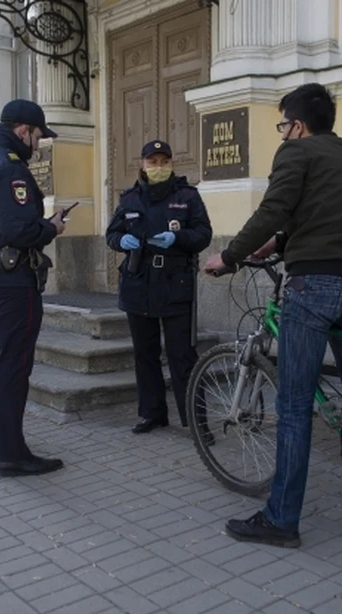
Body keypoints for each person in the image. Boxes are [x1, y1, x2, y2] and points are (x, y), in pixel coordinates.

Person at [203, 83, 342, 547]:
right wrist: (280, 243)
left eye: (283, 125)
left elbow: (274, 209)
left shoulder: (296, 153)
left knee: (294, 405)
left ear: (298, 125)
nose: (282, 133)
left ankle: (281, 519)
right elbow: (327, 214)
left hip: (313, 286)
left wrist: (231, 256)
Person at [0, 99, 70, 477]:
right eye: (37, 137)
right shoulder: (9, 166)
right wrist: (51, 227)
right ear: (23, 130)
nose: (37, 145)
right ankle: (12, 454)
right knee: (13, 365)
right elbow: (18, 229)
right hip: (12, 278)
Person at [106, 140, 213, 434]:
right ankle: (151, 414)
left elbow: (203, 233)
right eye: (153, 162)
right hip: (138, 283)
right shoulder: (129, 199)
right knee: (145, 354)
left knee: (182, 356)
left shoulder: (187, 196)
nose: (159, 167)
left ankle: (195, 420)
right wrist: (120, 241)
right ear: (142, 165)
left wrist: (178, 238)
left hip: (174, 284)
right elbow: (112, 234)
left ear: (171, 164)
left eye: (164, 162)